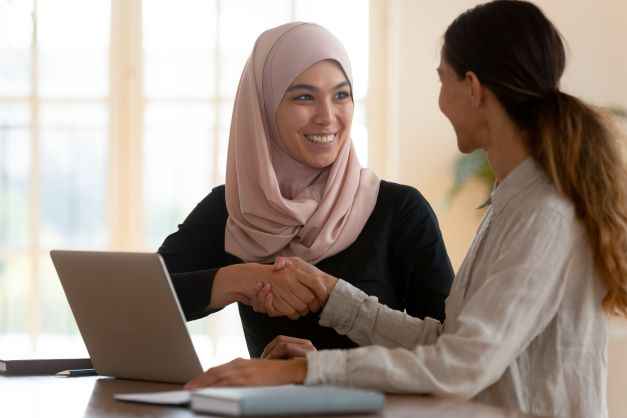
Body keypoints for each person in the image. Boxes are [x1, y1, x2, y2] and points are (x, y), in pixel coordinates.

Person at [183, 2, 627, 418]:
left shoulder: (542, 214)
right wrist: (333, 294)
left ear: (471, 88)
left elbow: (461, 364)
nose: (328, 116)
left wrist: (304, 372)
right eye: (304, 97)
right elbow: (448, 343)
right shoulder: (513, 202)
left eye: (442, 80)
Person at [158, 22, 454, 359]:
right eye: (304, 97)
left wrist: (322, 370)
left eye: (341, 95)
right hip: (269, 410)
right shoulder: (234, 208)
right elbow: (138, 296)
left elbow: (450, 352)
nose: (327, 117)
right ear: (265, 109)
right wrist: (243, 278)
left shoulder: (400, 211)